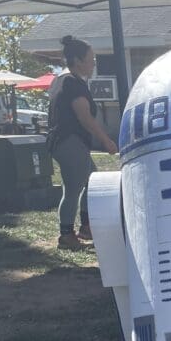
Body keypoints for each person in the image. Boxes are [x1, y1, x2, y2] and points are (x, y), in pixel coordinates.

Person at [47, 35, 118, 251]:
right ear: (78, 61)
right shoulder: (72, 82)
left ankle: (86, 226)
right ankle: (66, 235)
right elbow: (84, 117)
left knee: (92, 181)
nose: (94, 63)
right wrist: (106, 141)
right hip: (70, 142)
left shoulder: (62, 79)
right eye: (91, 59)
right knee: (73, 189)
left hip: (68, 142)